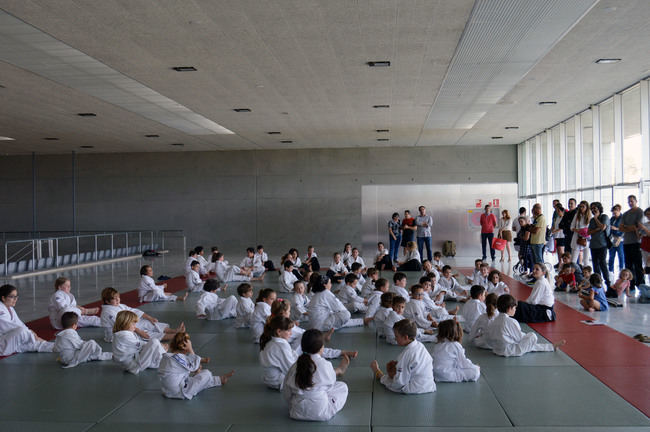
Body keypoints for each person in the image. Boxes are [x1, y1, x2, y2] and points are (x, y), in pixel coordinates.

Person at [260, 316, 355, 390]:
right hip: (279, 381)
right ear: (279, 331)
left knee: (311, 365)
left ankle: (335, 369)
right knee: (317, 376)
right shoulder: (280, 346)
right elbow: (291, 370)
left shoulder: (275, 343)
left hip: (273, 379)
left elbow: (292, 359)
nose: (291, 333)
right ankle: (337, 371)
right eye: (288, 331)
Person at [282, 329, 351, 421]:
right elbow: (330, 386)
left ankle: (337, 371)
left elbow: (287, 392)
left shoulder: (295, 366)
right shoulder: (325, 364)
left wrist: (293, 404)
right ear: (321, 348)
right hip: (321, 412)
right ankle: (338, 371)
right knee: (342, 387)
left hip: (296, 412)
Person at [158, 332, 234, 400]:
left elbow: (188, 365)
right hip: (179, 391)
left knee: (196, 379)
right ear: (184, 348)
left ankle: (219, 380)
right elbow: (194, 367)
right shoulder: (177, 358)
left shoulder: (168, 357)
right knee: (206, 374)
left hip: (168, 391)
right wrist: (190, 349)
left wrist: (197, 368)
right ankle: (218, 380)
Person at [486, 294, 565, 357]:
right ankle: (551, 347)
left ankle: (551, 347)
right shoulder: (511, 321)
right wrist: (526, 336)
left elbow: (490, 338)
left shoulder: (494, 320)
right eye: (514, 308)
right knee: (532, 336)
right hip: (510, 351)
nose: (515, 310)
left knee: (527, 343)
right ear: (509, 308)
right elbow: (520, 338)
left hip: (496, 350)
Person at [371, 319, 435, 394]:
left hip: (415, 388)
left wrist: (384, 377)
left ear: (406, 337)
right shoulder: (420, 346)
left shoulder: (406, 355)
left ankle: (378, 373)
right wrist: (398, 368)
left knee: (391, 383)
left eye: (397, 336)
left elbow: (399, 384)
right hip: (429, 385)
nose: (395, 338)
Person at [101, 287, 181, 342]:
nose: (118, 299)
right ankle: (173, 336)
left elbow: (133, 310)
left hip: (128, 324)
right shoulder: (107, 312)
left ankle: (173, 331)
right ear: (107, 301)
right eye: (114, 299)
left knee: (148, 322)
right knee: (142, 333)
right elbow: (122, 324)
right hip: (118, 334)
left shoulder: (119, 305)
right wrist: (139, 331)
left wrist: (149, 317)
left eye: (118, 297)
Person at [0, 284, 54, 356]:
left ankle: (58, 347)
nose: (15, 299)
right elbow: (9, 327)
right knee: (22, 332)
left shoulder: (10, 308)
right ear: (3, 298)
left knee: (33, 345)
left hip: (9, 340)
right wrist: (31, 334)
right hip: (2, 343)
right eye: (12, 297)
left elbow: (19, 323)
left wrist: (29, 331)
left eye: (16, 296)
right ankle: (41, 341)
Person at [112, 310, 168, 374]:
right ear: (125, 323)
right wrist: (161, 346)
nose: (135, 326)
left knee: (155, 353)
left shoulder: (121, 334)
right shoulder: (124, 335)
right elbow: (141, 345)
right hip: (135, 366)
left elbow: (139, 344)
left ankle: (161, 358)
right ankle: (165, 356)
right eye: (133, 324)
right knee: (154, 342)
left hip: (133, 361)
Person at [619, 195, 645, 292]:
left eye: (632, 201)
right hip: (627, 242)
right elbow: (621, 228)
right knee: (628, 265)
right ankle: (631, 285)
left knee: (638, 265)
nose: (630, 203)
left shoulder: (639, 212)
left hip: (636, 242)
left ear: (636, 201)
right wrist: (632, 227)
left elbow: (638, 226)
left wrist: (628, 227)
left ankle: (641, 285)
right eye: (628, 201)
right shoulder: (625, 214)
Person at [588, 202, 611, 288]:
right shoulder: (592, 220)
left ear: (599, 208)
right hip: (593, 245)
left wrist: (596, 218)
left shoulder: (604, 217)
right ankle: (598, 283)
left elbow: (602, 227)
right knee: (595, 265)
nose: (594, 210)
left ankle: (608, 283)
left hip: (602, 244)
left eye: (595, 208)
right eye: (592, 209)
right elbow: (588, 232)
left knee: (603, 264)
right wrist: (597, 229)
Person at [570, 201, 592, 265]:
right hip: (577, 238)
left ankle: (586, 273)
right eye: (580, 206)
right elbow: (572, 226)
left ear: (587, 207)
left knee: (586, 260)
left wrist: (585, 232)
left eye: (583, 207)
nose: (581, 208)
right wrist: (578, 230)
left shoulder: (590, 216)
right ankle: (573, 273)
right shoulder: (577, 215)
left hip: (587, 239)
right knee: (573, 259)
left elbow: (591, 228)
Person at [608, 204, 625, 273]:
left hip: (620, 239)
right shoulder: (612, 218)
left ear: (619, 211)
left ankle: (621, 270)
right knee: (611, 256)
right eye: (613, 213)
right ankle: (610, 271)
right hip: (612, 239)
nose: (614, 214)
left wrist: (616, 228)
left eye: (615, 213)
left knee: (621, 255)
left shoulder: (623, 218)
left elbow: (624, 229)